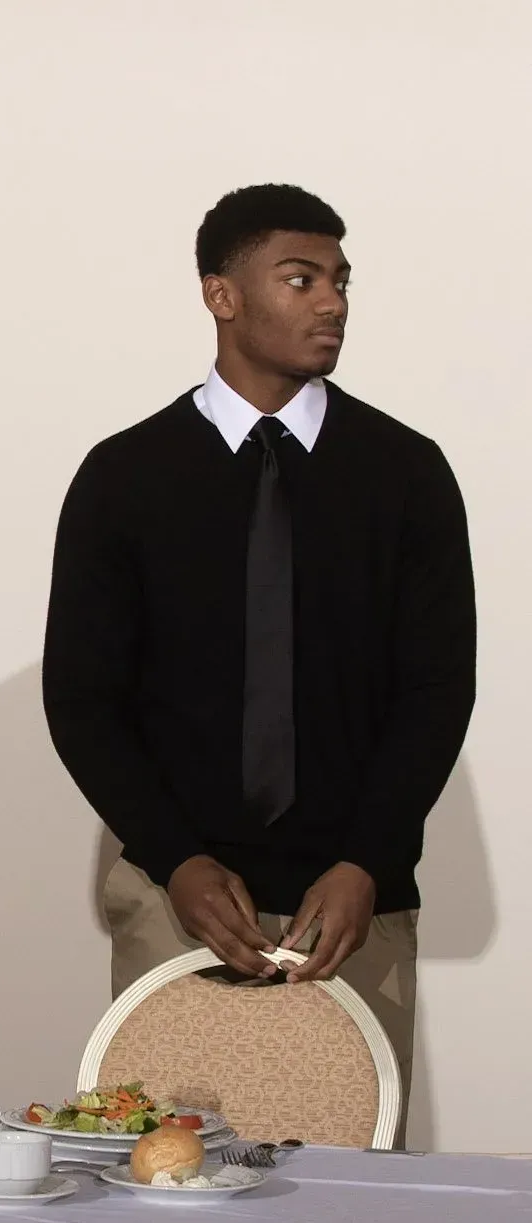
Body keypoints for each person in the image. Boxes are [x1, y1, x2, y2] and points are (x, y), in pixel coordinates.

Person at [43, 183, 475, 1114]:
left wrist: (367, 859)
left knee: (348, 1209)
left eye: (341, 280)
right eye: (301, 277)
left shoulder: (407, 472)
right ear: (221, 294)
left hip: (356, 910)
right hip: (175, 900)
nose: (333, 302)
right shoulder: (125, 476)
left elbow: (436, 691)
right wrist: (177, 861)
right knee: (162, 1181)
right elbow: (82, 698)